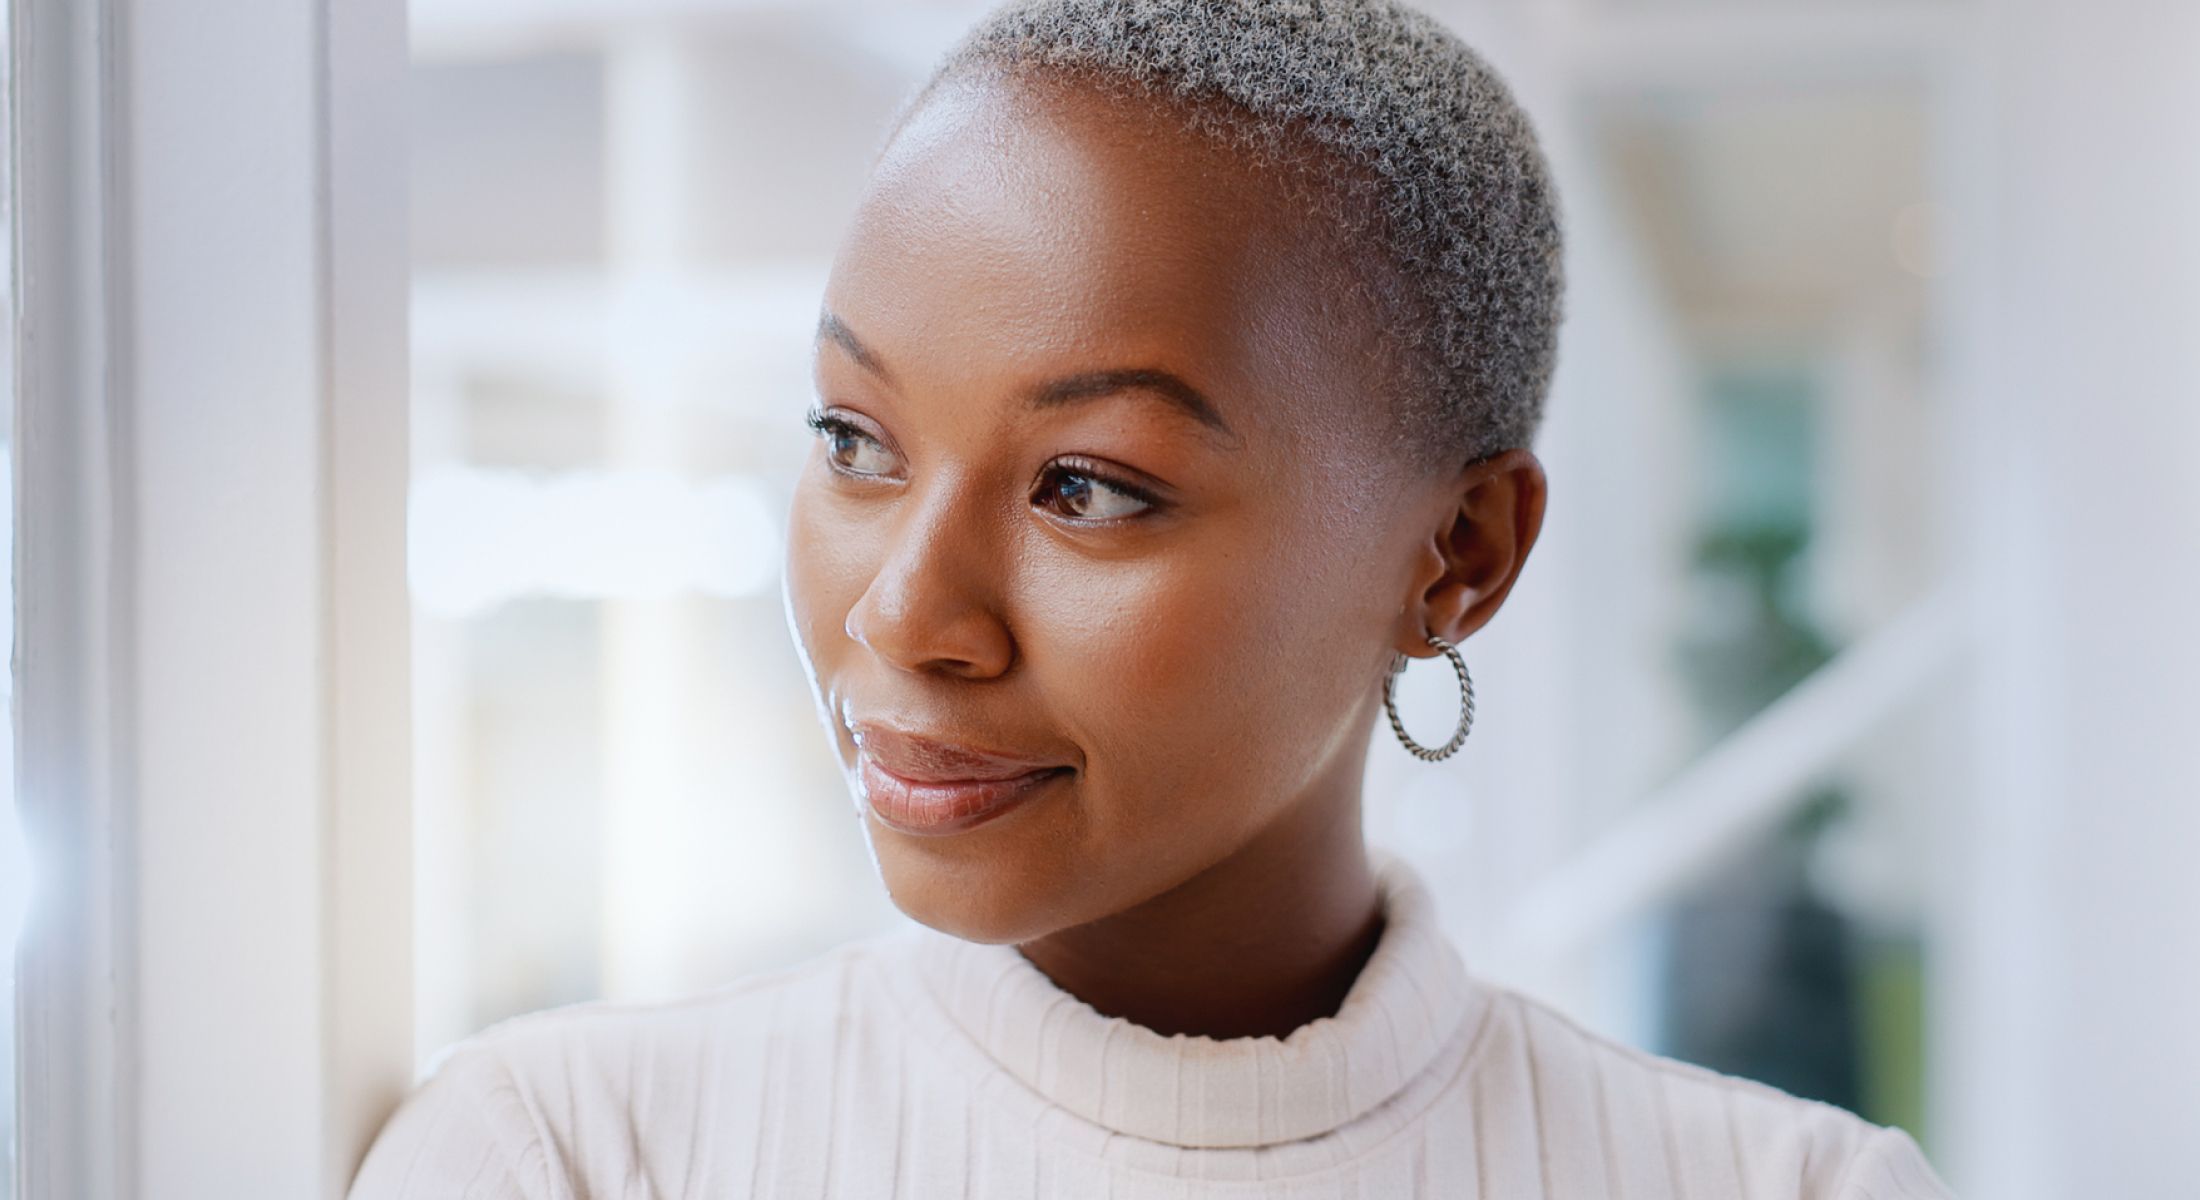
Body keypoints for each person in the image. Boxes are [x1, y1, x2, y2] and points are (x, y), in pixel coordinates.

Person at [350, 1, 1955, 1195]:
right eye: (857, 442)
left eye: (1087, 487)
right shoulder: (568, 1159)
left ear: (1456, 555)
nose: (905, 616)